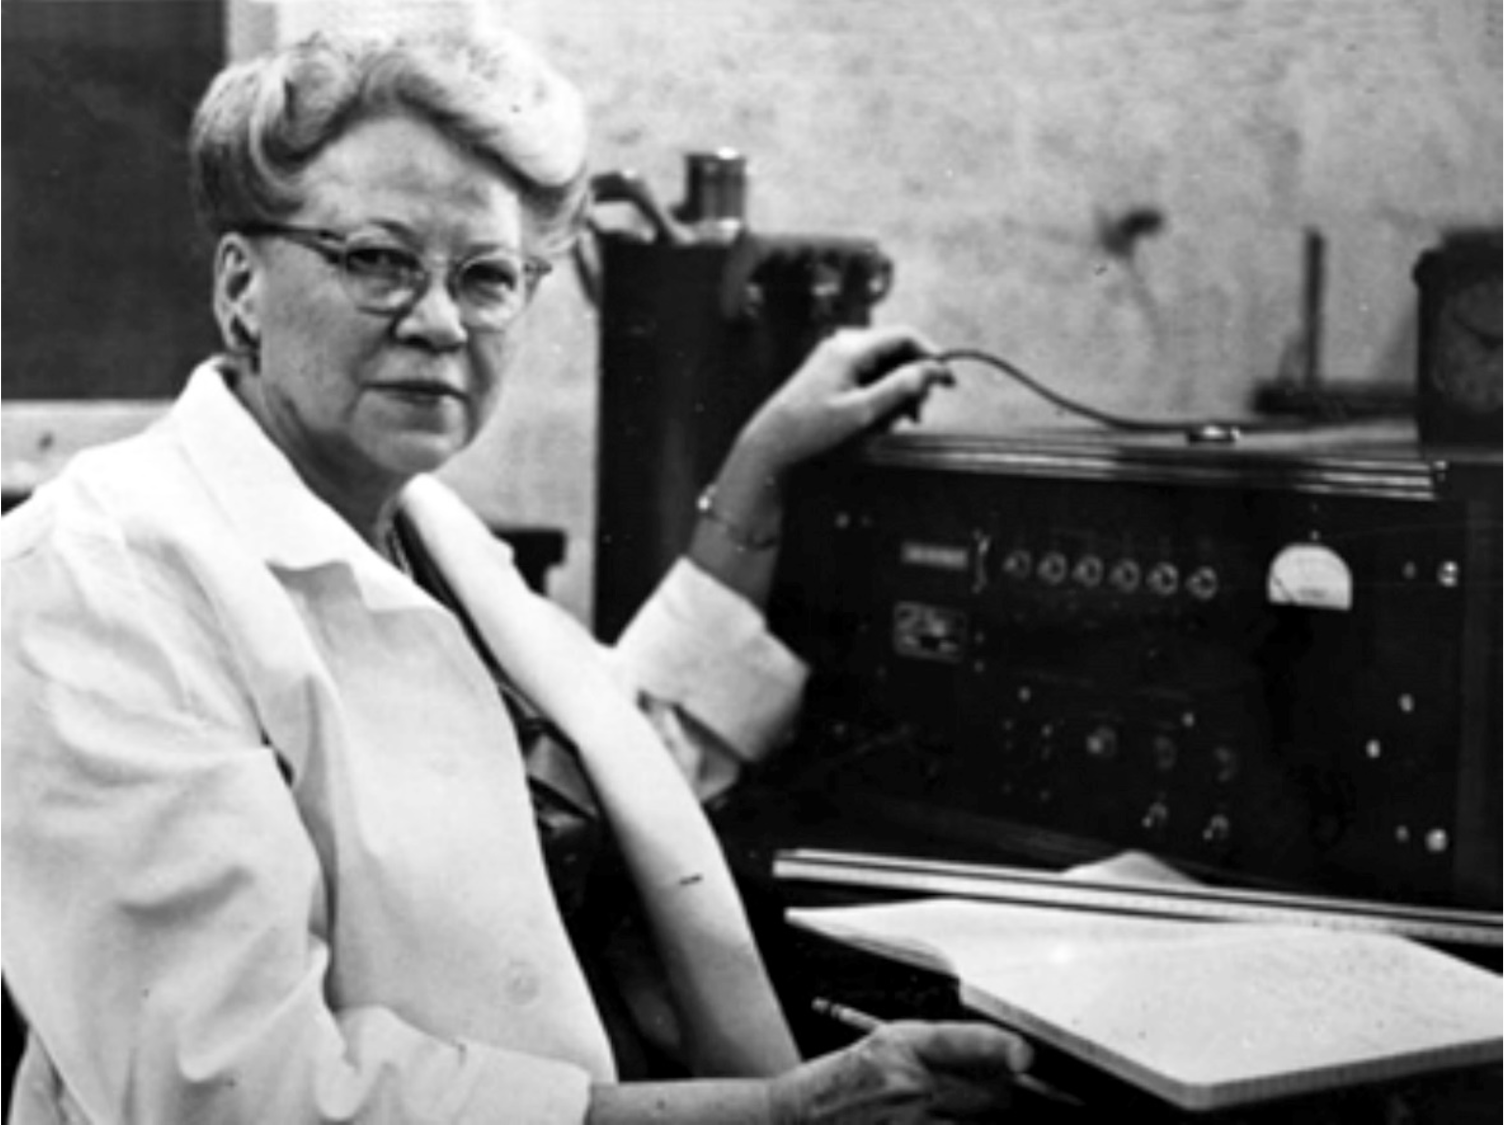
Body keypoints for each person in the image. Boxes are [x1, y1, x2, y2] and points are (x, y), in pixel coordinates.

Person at [0, 27, 1038, 1125]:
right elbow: (236, 1093)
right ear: (242, 286)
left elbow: (606, 767)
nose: (440, 321)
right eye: (378, 259)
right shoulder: (96, 577)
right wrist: (779, 1115)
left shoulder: (426, 531)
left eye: (488, 275)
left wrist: (757, 470)